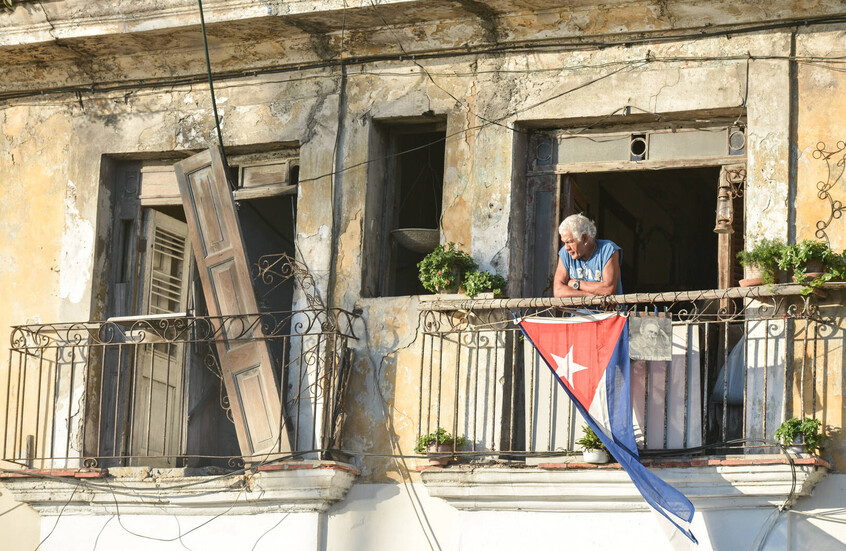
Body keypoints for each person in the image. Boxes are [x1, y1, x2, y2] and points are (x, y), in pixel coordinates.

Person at [553, 213, 622, 297]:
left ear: (584, 238)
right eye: (564, 242)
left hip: (605, 310)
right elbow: (558, 291)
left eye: (569, 242)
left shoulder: (608, 250)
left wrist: (576, 284)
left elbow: (608, 289)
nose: (566, 247)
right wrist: (588, 296)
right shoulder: (565, 253)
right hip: (574, 310)